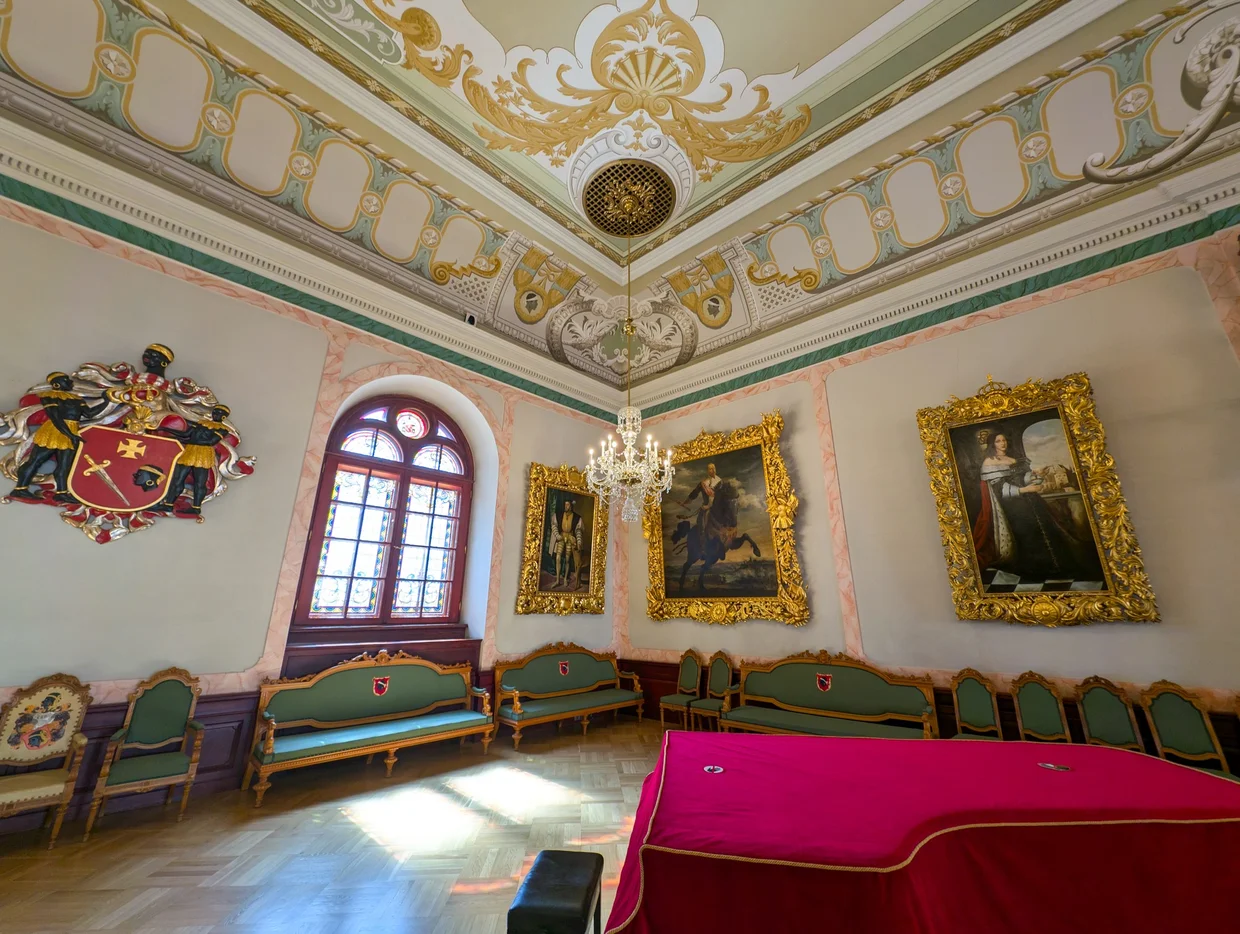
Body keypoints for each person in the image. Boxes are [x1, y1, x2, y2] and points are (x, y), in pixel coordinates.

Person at [971, 429, 1101, 582]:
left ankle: (1059, 567)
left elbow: (1023, 479)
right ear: (992, 444)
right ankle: (1036, 571)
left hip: (1031, 501)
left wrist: (1037, 475)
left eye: (1004, 440)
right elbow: (998, 489)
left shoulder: (1012, 459)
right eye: (998, 441)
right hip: (1013, 506)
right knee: (1028, 534)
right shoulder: (989, 463)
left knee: (1048, 529)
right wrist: (1025, 490)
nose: (1002, 443)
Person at [10, 373, 107, 503]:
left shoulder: (76, 399)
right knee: (36, 460)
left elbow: (90, 414)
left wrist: (107, 400)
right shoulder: (49, 396)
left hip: (72, 430)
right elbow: (55, 417)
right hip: (54, 430)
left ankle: (62, 492)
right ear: (56, 384)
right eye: (66, 380)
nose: (70, 382)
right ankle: (20, 488)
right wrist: (70, 434)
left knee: (65, 465)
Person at [151, 404, 232, 515]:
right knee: (178, 479)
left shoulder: (223, 429)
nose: (216, 414)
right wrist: (166, 429)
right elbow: (186, 434)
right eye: (215, 412)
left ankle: (196, 507)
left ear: (224, 417)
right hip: (190, 451)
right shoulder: (201, 423)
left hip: (203, 454)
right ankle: (168, 504)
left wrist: (187, 441)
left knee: (199, 482)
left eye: (219, 413)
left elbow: (211, 442)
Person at [548, 495, 585, 589]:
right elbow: (554, 526)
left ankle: (565, 579)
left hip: (570, 538)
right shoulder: (558, 515)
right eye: (565, 505)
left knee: (568, 559)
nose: (566, 507)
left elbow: (578, 530)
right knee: (558, 558)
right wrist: (557, 535)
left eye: (568, 505)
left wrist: (578, 541)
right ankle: (557, 580)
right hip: (561, 537)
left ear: (571, 506)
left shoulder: (576, 517)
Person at [681, 462, 722, 537]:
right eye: (709, 469)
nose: (711, 470)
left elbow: (720, 495)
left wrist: (710, 505)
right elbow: (694, 493)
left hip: (717, 506)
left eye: (712, 468)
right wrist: (686, 502)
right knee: (700, 522)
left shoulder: (719, 481)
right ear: (707, 471)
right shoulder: (703, 483)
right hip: (705, 507)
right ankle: (702, 538)